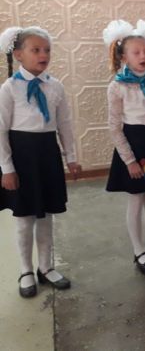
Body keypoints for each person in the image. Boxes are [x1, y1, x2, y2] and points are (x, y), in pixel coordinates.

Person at [0, 26, 82, 297]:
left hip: (47, 155)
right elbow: (0, 130)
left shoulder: (55, 86)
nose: (43, 54)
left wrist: (71, 157)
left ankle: (46, 267)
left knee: (46, 215)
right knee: (24, 218)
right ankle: (25, 269)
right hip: (21, 158)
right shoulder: (9, 88)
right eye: (35, 50)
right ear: (18, 55)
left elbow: (64, 124)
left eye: (46, 50)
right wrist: (6, 168)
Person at [104, 20, 145, 275]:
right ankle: (139, 249)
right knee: (135, 201)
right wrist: (129, 161)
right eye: (136, 52)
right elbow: (114, 127)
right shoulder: (117, 86)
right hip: (131, 146)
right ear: (124, 57)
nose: (143, 56)